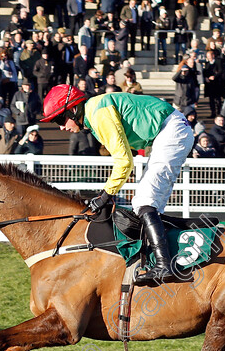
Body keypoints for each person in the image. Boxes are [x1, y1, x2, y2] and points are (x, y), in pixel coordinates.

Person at [41, 85, 194, 285]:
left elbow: (124, 161)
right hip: (168, 131)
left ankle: (164, 264)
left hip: (170, 131)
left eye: (60, 119)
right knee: (145, 202)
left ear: (74, 109)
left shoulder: (98, 114)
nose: (62, 127)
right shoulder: (94, 114)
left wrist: (106, 194)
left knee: (146, 200)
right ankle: (160, 256)